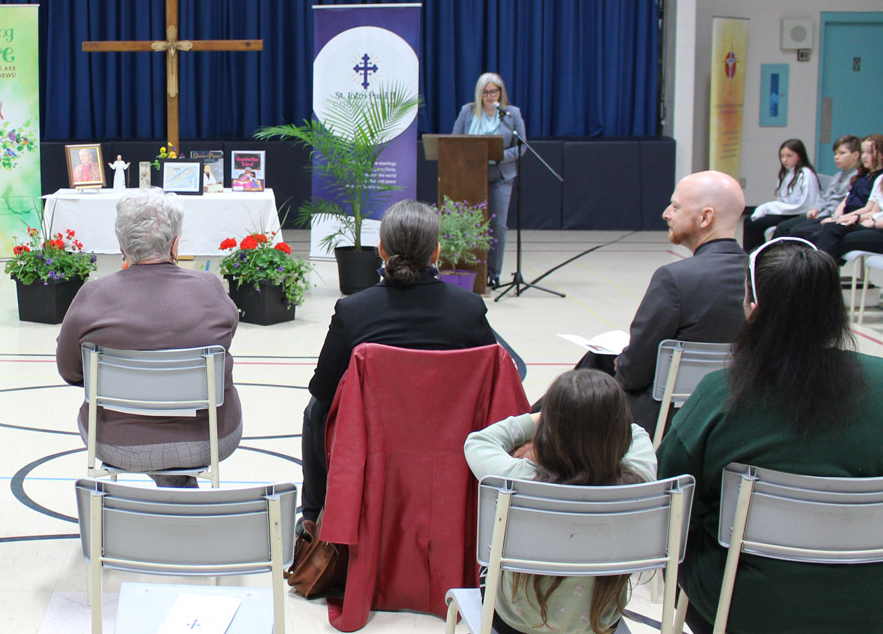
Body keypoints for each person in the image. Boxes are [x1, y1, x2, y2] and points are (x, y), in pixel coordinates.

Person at [657, 239, 883, 633]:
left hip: (744, 607)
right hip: (874, 607)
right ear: (836, 312)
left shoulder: (721, 394)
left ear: (754, 310)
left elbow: (672, 501)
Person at [300, 200, 499, 522]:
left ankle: (315, 517)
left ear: (380, 249)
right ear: (436, 252)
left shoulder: (354, 311)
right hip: (450, 443)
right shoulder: (468, 309)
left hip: (373, 446)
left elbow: (323, 391)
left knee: (314, 410)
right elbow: (496, 384)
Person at [56, 190, 243, 489]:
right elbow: (227, 337)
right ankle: (177, 488)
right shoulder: (210, 288)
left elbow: (70, 371)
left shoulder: (92, 296)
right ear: (175, 243)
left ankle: (170, 488)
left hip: (115, 441)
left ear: (121, 244)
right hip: (208, 438)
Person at [463, 369, 656, 634]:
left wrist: (545, 418)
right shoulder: (638, 482)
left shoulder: (521, 479)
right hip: (599, 623)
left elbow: (478, 441)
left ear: (549, 430)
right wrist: (599, 419)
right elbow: (637, 434)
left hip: (516, 623)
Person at [571, 171, 747, 434]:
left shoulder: (675, 278)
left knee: (587, 374)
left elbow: (632, 374)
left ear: (705, 217)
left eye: (676, 207)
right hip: (735, 410)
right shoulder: (760, 275)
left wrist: (623, 360)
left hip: (667, 420)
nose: (666, 214)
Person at [451, 73, 527, 288]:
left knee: (498, 225)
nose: (490, 95)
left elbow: (522, 146)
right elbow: (453, 141)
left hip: (501, 176)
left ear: (501, 92)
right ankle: (469, 271)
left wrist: (500, 157)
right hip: (470, 175)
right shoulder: (468, 112)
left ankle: (494, 273)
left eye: (494, 91)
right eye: (486, 92)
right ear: (479, 93)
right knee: (469, 223)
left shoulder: (512, 114)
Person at [813, 134, 883, 262]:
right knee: (831, 228)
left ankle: (822, 276)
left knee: (839, 240)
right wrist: (854, 218)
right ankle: (823, 274)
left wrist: (874, 223)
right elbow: (874, 211)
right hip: (875, 227)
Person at [775, 134, 879, 240]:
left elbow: (844, 203)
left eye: (842, 153)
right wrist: (816, 208)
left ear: (856, 155)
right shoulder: (838, 175)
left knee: (798, 231)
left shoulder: (857, 176)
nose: (836, 157)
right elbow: (825, 197)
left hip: (834, 215)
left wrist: (832, 217)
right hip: (824, 213)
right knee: (784, 227)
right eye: (835, 154)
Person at [742, 138, 821, 251]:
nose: (784, 160)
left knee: (760, 224)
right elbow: (782, 200)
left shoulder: (806, 174)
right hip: (786, 211)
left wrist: (770, 207)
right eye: (782, 156)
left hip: (797, 213)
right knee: (750, 221)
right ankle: (753, 254)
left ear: (799, 156)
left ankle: (766, 255)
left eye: (789, 156)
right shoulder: (787, 173)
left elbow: (805, 205)